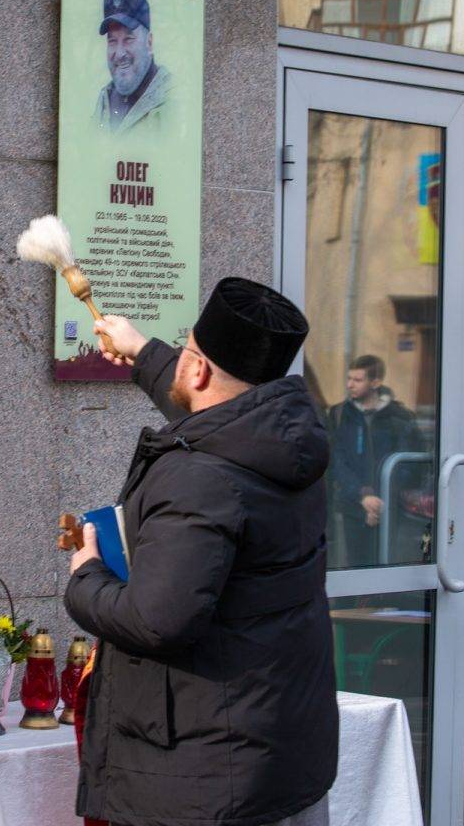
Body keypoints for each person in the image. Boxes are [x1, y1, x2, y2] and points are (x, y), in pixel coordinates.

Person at [64, 277, 338, 826]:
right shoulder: (287, 443)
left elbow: (157, 621)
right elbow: (220, 411)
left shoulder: (199, 479)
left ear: (200, 370)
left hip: (205, 781)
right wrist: (142, 350)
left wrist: (85, 575)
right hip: (278, 757)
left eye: (186, 348)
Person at [322, 354, 426, 567]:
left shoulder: (399, 416)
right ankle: (356, 602)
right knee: (352, 565)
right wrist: (364, 496)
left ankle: (380, 601)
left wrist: (381, 496)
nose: (350, 385)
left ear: (376, 382)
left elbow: (407, 461)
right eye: (349, 378)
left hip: (389, 503)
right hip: (351, 504)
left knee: (385, 562)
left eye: (358, 380)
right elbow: (336, 460)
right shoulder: (340, 414)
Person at [92, 0, 171, 134]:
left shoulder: (173, 100)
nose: (119, 53)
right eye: (112, 41)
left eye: (128, 39)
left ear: (149, 43)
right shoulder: (104, 101)